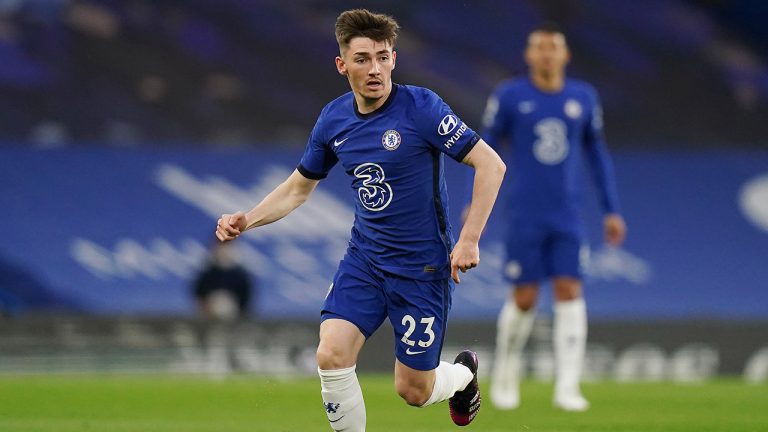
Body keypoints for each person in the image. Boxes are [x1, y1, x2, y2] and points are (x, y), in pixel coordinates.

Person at [215, 9, 505, 431]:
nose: (375, 69)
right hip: (365, 261)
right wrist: (249, 218)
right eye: (363, 58)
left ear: (393, 60)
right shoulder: (334, 119)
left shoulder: (421, 107)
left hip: (421, 268)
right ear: (342, 65)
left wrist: (469, 239)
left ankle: (462, 376)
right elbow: (299, 187)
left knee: (413, 391)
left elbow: (491, 165)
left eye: (384, 57)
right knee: (331, 354)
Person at [479, 23, 626, 412]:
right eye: (539, 48)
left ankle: (567, 386)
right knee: (524, 297)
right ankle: (506, 373)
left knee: (570, 291)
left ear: (565, 55)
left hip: (567, 215)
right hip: (525, 213)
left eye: (553, 48)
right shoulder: (510, 96)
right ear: (528, 55)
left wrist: (611, 209)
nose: (546, 54)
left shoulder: (583, 97)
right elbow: (483, 151)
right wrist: (473, 201)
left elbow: (597, 155)